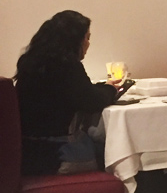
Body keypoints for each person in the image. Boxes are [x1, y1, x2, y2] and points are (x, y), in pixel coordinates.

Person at [14, 10, 119, 175]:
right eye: (87, 37)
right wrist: (111, 89)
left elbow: (78, 93)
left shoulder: (30, 62)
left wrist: (101, 88)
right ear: (75, 40)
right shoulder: (67, 65)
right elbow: (92, 101)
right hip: (56, 154)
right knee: (117, 155)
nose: (88, 44)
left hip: (26, 151)